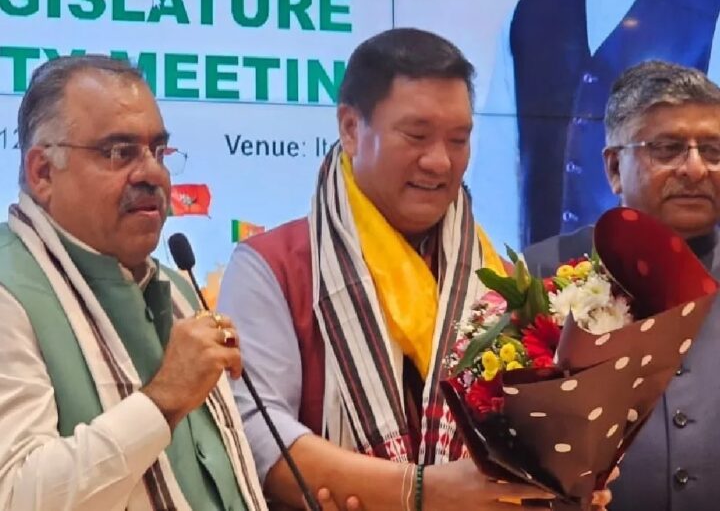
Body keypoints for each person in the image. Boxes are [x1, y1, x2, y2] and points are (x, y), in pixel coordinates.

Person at [219, 28, 612, 510]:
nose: (440, 162)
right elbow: (256, 432)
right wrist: (420, 492)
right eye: (417, 136)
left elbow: (528, 436)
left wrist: (566, 475)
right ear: (350, 128)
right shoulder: (274, 267)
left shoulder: (500, 276)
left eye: (459, 139)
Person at [0, 54, 270, 511]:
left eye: (158, 152)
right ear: (43, 172)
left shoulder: (177, 287)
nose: (152, 174)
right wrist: (164, 397)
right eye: (119, 153)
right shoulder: (9, 289)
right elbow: (16, 497)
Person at [524, 60, 720, 510]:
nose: (696, 169)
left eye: (713, 150)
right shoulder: (541, 275)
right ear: (614, 167)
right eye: (668, 148)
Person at [469, 0, 720, 248]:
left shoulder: (709, 0)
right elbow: (497, 188)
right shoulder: (532, 4)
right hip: (539, 270)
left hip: (690, 269)